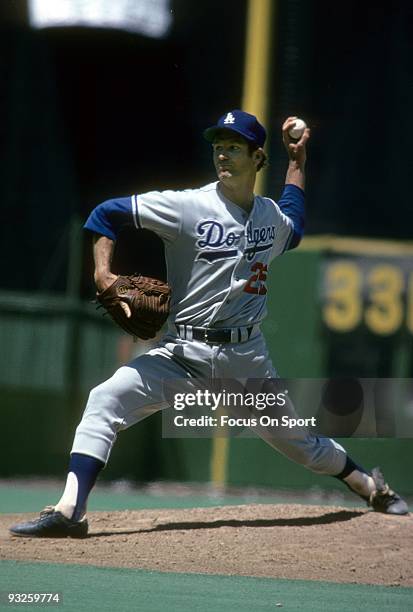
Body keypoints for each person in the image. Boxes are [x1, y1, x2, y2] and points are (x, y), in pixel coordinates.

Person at [10, 110, 408, 538]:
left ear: (258, 158)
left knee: (302, 447)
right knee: (104, 399)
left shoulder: (269, 218)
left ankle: (368, 485)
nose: (223, 153)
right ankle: (71, 511)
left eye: (234, 146)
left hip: (245, 361)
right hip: (181, 353)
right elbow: (105, 215)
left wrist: (297, 161)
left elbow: (295, 224)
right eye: (218, 145)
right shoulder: (186, 206)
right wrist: (103, 273)